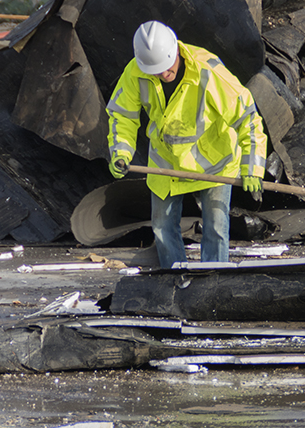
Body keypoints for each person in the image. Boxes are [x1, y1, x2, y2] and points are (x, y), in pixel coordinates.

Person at [106, 20, 268, 268]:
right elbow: (122, 116)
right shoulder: (135, 72)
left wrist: (252, 167)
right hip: (166, 162)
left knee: (215, 225)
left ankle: (214, 283)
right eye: (155, 69)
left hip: (215, 162)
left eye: (166, 67)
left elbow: (247, 118)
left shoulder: (208, 71)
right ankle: (176, 281)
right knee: (161, 226)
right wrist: (120, 152)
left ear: (176, 51)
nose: (162, 74)